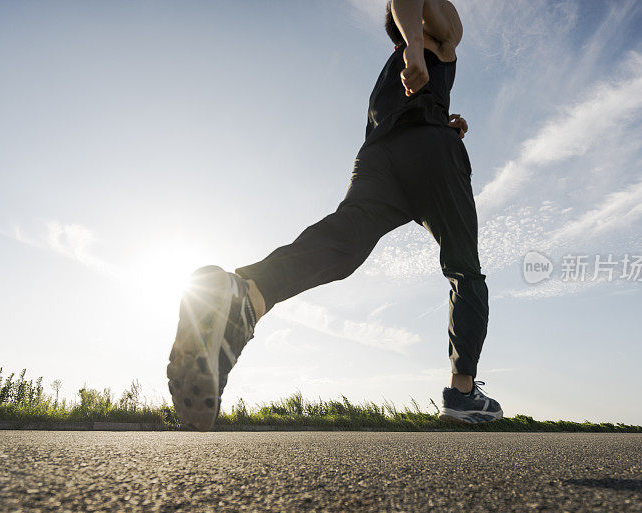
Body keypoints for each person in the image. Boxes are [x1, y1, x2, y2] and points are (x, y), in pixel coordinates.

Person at [167, 0, 502, 431]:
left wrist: (439, 114)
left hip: (380, 160)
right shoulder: (438, 40)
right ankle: (462, 392)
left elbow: (408, 109)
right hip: (431, 154)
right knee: (464, 269)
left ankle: (247, 294)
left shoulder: (388, 75)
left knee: (343, 246)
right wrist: (419, 51)